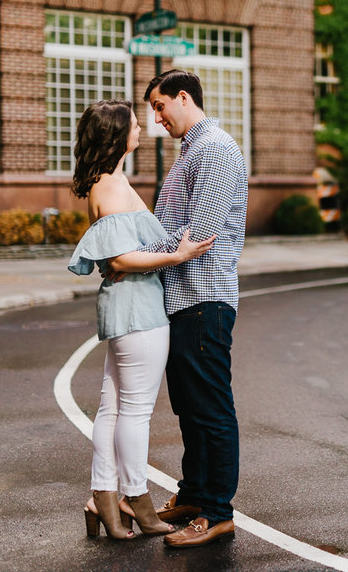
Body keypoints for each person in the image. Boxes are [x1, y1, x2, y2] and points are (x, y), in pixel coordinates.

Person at [108, 70, 248, 548]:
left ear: (183, 98)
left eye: (160, 105)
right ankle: (193, 494)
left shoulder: (216, 149)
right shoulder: (192, 150)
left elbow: (200, 233)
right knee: (189, 409)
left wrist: (135, 260)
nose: (156, 117)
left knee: (210, 409)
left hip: (204, 296)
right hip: (181, 297)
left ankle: (217, 512)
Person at [67, 99, 215, 540]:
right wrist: (177, 255)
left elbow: (122, 253)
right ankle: (136, 499)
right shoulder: (110, 186)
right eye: (134, 122)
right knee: (134, 412)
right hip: (139, 310)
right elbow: (118, 257)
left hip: (127, 306)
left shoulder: (108, 181)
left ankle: (104, 501)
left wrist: (148, 254)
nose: (141, 127)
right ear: (117, 135)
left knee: (112, 408)